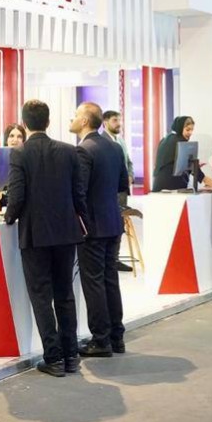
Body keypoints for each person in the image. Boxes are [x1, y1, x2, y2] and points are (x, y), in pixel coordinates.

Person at [4, 100, 88, 378]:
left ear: (24, 124)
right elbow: (78, 195)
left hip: (35, 234)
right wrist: (83, 221)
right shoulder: (68, 151)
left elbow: (16, 196)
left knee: (41, 296)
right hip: (66, 232)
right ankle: (71, 355)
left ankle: (53, 358)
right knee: (64, 294)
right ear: (48, 122)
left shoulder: (19, 154)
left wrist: (8, 218)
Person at [74, 103, 131, 357]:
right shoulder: (114, 147)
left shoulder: (84, 150)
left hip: (93, 227)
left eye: (76, 115)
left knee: (94, 282)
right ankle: (116, 337)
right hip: (112, 222)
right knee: (110, 279)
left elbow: (79, 191)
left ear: (85, 120)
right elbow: (122, 184)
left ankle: (100, 340)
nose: (73, 119)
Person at [100, 110, 140, 272]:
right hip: (110, 190)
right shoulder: (102, 142)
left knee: (119, 225)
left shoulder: (121, 141)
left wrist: (130, 175)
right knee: (111, 224)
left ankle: (115, 258)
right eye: (115, 120)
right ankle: (110, 259)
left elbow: (128, 161)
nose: (119, 124)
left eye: (119, 120)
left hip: (122, 190)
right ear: (105, 123)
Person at [151, 116, 212, 192]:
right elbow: (191, 163)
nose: (190, 133)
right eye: (187, 130)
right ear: (180, 128)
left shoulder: (165, 139)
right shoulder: (181, 142)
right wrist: (205, 179)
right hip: (171, 187)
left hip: (158, 185)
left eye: (192, 130)